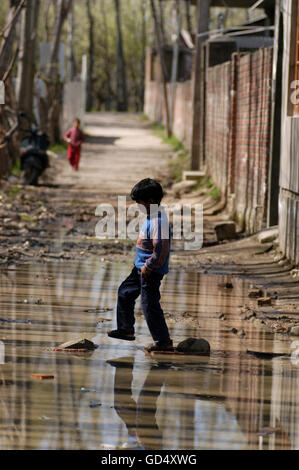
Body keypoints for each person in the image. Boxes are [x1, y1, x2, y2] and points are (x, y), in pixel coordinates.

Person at [107, 178, 174, 353]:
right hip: (140, 268)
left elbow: (161, 249)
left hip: (150, 271)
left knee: (149, 305)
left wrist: (149, 266)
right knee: (125, 292)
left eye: (140, 203)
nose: (138, 207)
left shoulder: (159, 221)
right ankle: (126, 329)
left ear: (150, 201)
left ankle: (163, 341)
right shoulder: (152, 217)